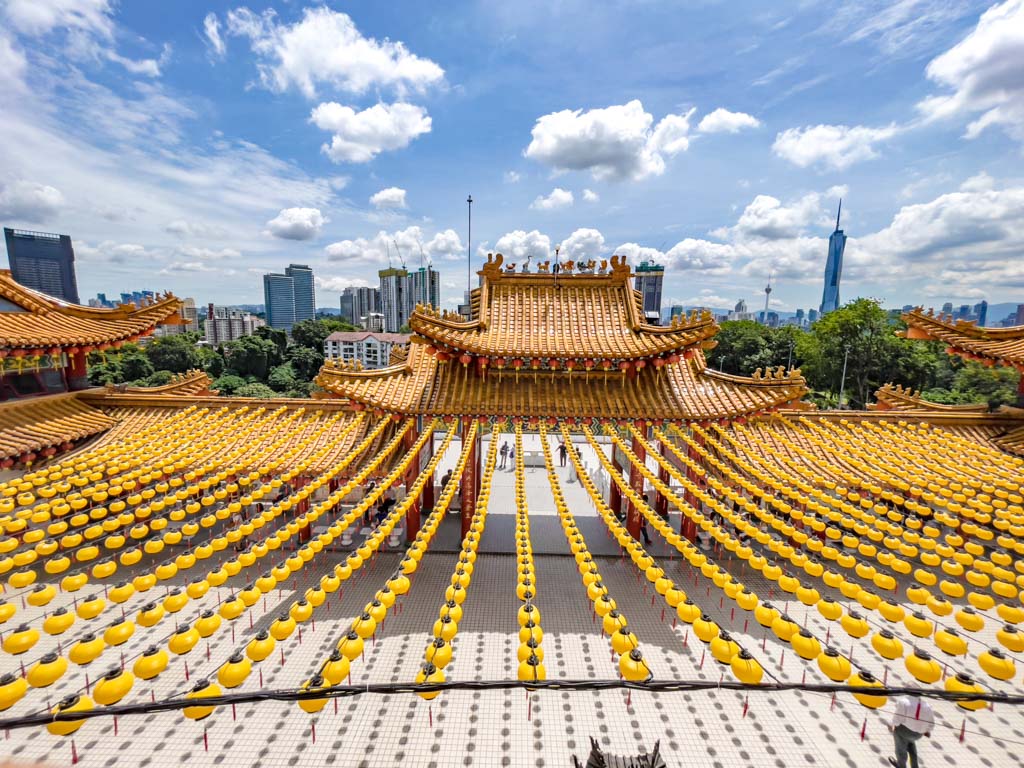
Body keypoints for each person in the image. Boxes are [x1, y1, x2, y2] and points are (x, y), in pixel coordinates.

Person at [888, 694, 934, 768]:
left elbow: (897, 719)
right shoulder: (927, 706)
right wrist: (926, 730)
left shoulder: (904, 702)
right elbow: (931, 724)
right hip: (918, 735)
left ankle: (901, 765)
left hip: (903, 732)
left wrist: (891, 725)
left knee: (901, 751)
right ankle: (914, 766)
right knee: (911, 745)